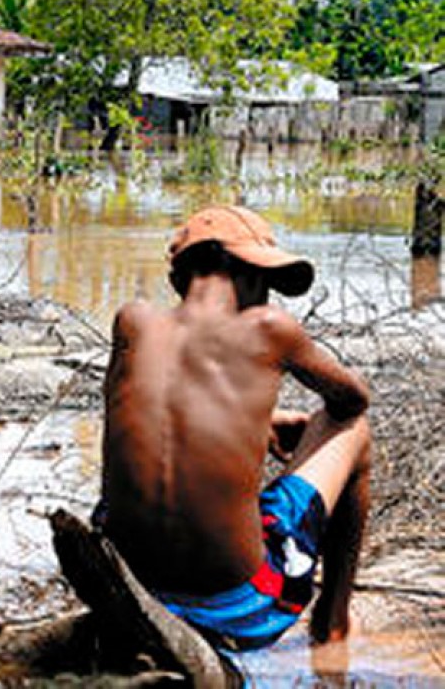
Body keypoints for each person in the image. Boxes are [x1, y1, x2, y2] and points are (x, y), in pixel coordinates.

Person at [93, 205, 371, 652]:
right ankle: (332, 623)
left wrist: (259, 424)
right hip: (240, 606)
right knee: (353, 428)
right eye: (264, 283)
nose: (265, 298)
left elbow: (144, 419)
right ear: (243, 269)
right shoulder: (270, 326)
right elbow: (354, 398)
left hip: (127, 586)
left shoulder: (132, 321)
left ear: (181, 277)